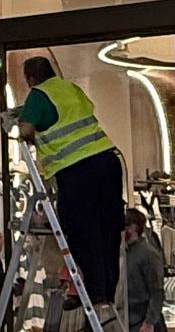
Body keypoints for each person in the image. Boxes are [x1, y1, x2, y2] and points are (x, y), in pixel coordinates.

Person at [12, 55, 125, 313]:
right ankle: (107, 291)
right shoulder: (71, 88)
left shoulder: (38, 94)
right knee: (107, 229)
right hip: (107, 160)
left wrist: (23, 130)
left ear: (31, 78)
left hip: (76, 169)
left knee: (81, 231)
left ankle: (94, 292)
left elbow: (26, 130)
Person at [122, 207, 168, 332]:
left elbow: (157, 291)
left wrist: (149, 321)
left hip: (141, 319)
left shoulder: (148, 254)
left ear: (133, 227)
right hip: (126, 317)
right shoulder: (125, 252)